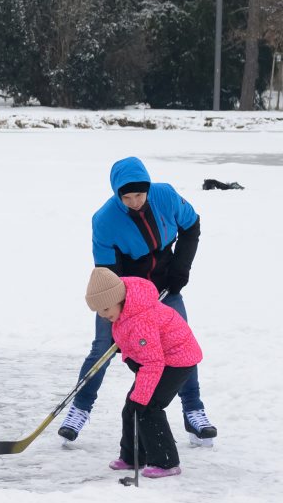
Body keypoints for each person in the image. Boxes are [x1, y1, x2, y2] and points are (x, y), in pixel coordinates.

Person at [59, 157, 217, 445]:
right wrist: (127, 311)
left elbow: (191, 226)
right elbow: (108, 273)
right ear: (117, 194)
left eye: (139, 195)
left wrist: (180, 268)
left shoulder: (166, 196)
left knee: (180, 345)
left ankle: (193, 411)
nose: (134, 202)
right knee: (102, 347)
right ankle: (79, 409)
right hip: (121, 290)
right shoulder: (105, 220)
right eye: (127, 197)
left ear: (148, 189)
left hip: (166, 283)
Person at [84, 268, 203, 478]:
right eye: (99, 312)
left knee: (147, 407)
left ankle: (166, 463)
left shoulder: (140, 320)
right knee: (132, 407)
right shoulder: (126, 311)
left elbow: (152, 363)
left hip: (177, 361)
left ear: (119, 299)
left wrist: (141, 396)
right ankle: (133, 457)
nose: (104, 315)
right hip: (160, 361)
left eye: (106, 309)